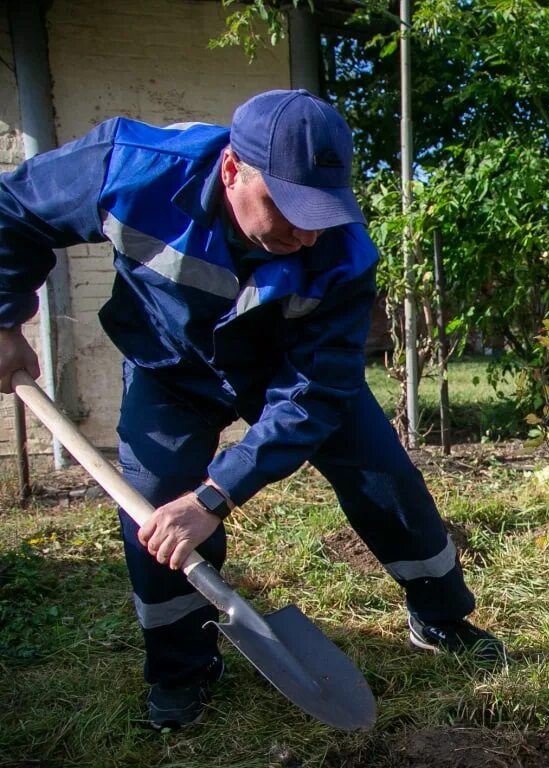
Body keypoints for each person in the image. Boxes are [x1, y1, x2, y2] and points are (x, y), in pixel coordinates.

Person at [0, 90, 503, 731]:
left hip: (289, 375)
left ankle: (439, 613)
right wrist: (5, 314)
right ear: (234, 170)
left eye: (320, 211)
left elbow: (314, 395)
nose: (306, 232)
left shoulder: (342, 254)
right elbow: (14, 209)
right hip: (170, 370)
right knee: (154, 511)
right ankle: (182, 669)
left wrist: (213, 498)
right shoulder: (133, 167)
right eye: (287, 208)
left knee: (384, 476)